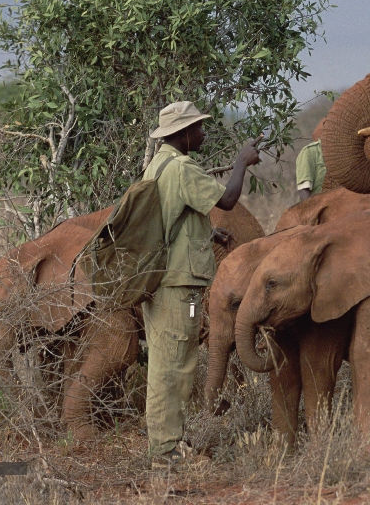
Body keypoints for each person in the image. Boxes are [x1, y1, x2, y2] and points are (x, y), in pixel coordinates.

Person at [143, 101, 260, 467]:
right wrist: (241, 161)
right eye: (199, 128)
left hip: (167, 282)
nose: (203, 133)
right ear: (183, 134)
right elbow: (226, 199)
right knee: (172, 365)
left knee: (172, 360)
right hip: (178, 286)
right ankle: (165, 451)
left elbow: (170, 218)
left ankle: (170, 441)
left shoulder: (157, 165)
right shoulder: (180, 167)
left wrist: (207, 233)